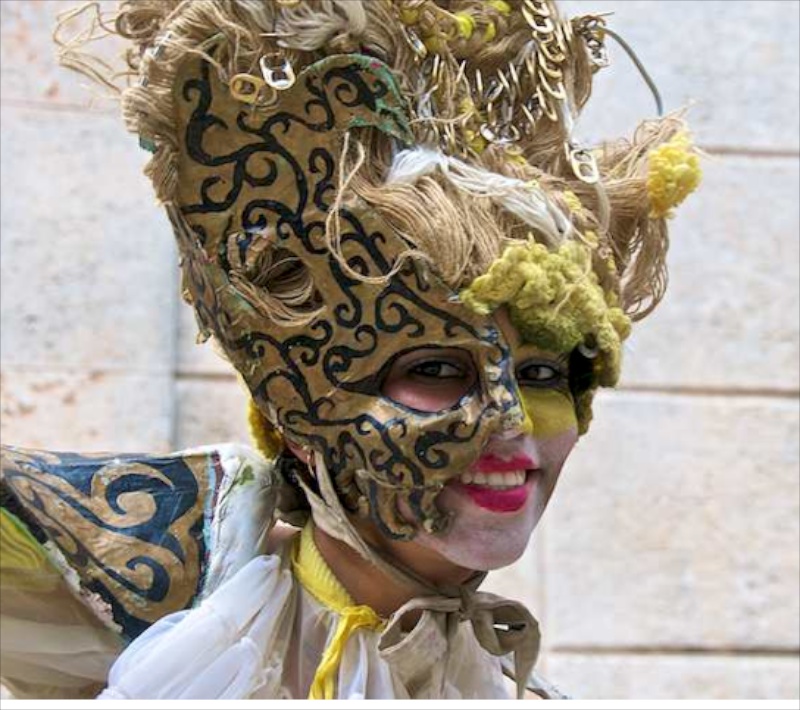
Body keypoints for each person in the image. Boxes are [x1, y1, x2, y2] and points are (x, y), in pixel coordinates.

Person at [0, 0, 701, 699]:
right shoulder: (179, 563)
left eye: (543, 373)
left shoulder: (500, 685)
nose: (511, 420)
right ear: (298, 414)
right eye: (436, 369)